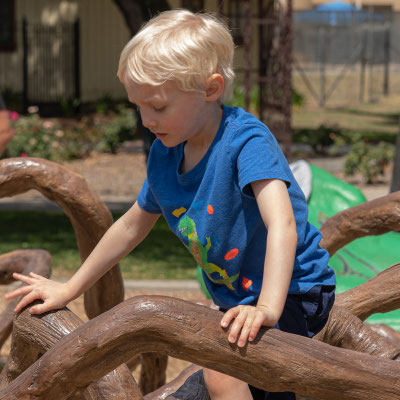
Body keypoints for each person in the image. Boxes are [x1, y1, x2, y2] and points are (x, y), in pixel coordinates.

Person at [6, 10, 335, 400]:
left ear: (210, 90)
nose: (146, 120)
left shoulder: (246, 141)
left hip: (295, 292)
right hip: (238, 301)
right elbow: (131, 226)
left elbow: (282, 224)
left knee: (222, 374)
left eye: (158, 107)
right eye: (138, 107)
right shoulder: (166, 153)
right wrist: (70, 287)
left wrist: (266, 308)